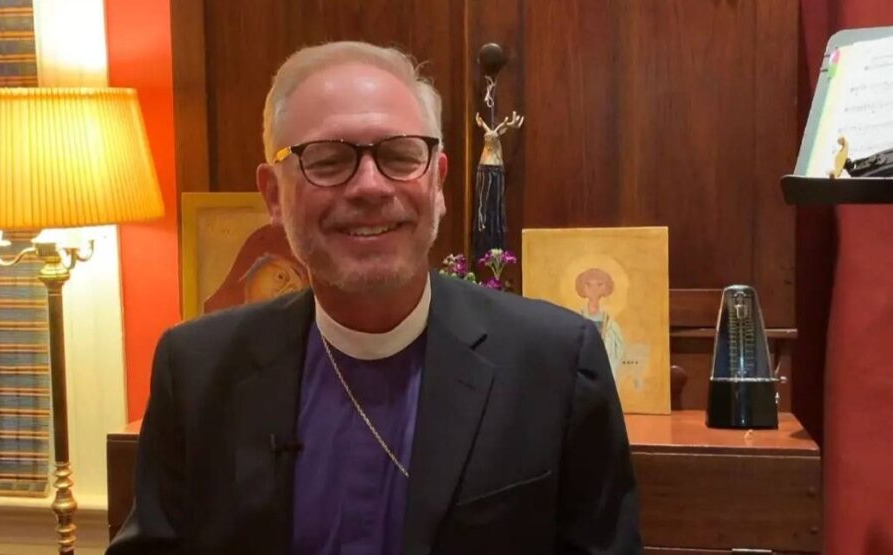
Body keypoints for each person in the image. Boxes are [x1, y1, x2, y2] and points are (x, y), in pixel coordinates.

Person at [108, 41, 641, 554]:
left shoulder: (555, 363)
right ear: (273, 195)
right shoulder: (197, 371)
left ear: (437, 182)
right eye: (327, 160)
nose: (369, 186)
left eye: (400, 156)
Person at [575, 267, 626, 379]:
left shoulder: (610, 324)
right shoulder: (576, 319)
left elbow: (619, 350)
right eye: (588, 285)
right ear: (582, 288)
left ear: (606, 288)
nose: (594, 289)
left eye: (599, 285)